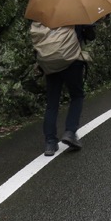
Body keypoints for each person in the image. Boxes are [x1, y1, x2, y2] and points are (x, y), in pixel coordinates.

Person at [43, 23, 96, 156]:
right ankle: (70, 132)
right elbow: (91, 36)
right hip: (72, 62)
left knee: (52, 103)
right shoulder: (76, 13)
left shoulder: (47, 16)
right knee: (77, 96)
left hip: (51, 62)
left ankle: (50, 142)